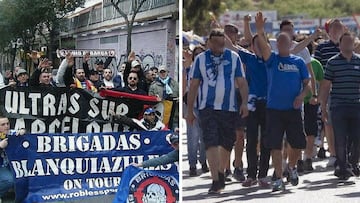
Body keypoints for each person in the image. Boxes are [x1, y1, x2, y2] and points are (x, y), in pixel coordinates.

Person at [187, 28, 249, 194]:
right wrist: (189, 111)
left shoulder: (233, 57)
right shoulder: (200, 60)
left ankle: (220, 171)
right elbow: (193, 86)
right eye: (216, 43)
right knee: (211, 141)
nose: (219, 46)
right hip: (207, 107)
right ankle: (215, 179)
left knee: (228, 141)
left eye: (222, 43)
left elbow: (242, 82)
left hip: (229, 107)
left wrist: (244, 103)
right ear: (209, 43)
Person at [255, 11, 311, 191]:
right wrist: (261, 29)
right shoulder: (272, 60)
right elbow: (263, 47)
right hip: (274, 110)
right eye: (278, 42)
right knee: (275, 144)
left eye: (284, 42)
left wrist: (301, 97)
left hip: (293, 110)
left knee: (296, 144)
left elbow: (307, 84)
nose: (281, 45)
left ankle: (292, 168)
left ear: (290, 43)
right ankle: (278, 177)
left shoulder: (298, 62)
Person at [225, 17, 271, 187]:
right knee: (251, 140)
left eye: (262, 43)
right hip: (251, 104)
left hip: (268, 104)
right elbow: (231, 46)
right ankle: (251, 175)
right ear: (252, 47)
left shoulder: (271, 59)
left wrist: (259, 29)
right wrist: (219, 31)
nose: (258, 46)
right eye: (255, 44)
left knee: (266, 140)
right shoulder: (249, 58)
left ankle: (263, 175)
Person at [319, 32, 360, 180]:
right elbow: (325, 86)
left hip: (356, 105)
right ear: (340, 44)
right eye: (345, 42)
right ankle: (343, 167)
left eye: (351, 42)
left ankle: (353, 161)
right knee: (340, 138)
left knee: (357, 138)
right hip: (338, 106)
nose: (348, 44)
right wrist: (323, 108)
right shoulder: (332, 62)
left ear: (354, 44)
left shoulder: (359, 61)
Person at [315, 19, 345, 166]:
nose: (335, 32)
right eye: (333, 29)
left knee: (348, 123)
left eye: (338, 29)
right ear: (328, 31)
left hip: (347, 91)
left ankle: (346, 154)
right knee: (329, 123)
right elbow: (316, 69)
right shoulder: (321, 48)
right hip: (329, 90)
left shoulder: (348, 47)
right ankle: (333, 154)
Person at [183, 46, 208, 177]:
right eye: (196, 54)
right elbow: (185, 87)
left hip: (205, 107)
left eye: (201, 54)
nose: (198, 56)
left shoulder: (208, 70)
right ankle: (192, 165)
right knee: (193, 138)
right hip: (192, 106)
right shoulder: (189, 69)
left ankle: (204, 162)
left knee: (204, 138)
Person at [0, 115, 26, 201]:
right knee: (9, 180)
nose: (6, 126)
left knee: (23, 174)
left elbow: (23, 132)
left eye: (7, 123)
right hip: (1, 166)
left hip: (10, 164)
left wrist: (22, 131)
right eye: (3, 124)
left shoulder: (10, 133)